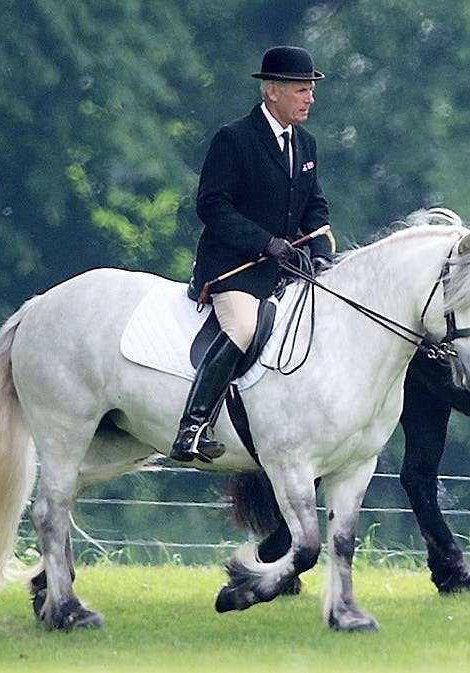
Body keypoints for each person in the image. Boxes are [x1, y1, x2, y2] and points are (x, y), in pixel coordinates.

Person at [169, 46, 334, 462]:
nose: (310, 98)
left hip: (283, 270)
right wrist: (264, 242)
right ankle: (193, 425)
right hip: (234, 268)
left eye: (310, 90)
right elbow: (212, 204)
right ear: (273, 91)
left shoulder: (306, 143)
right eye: (301, 90)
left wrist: (319, 252)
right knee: (243, 329)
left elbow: (314, 206)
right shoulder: (235, 138)